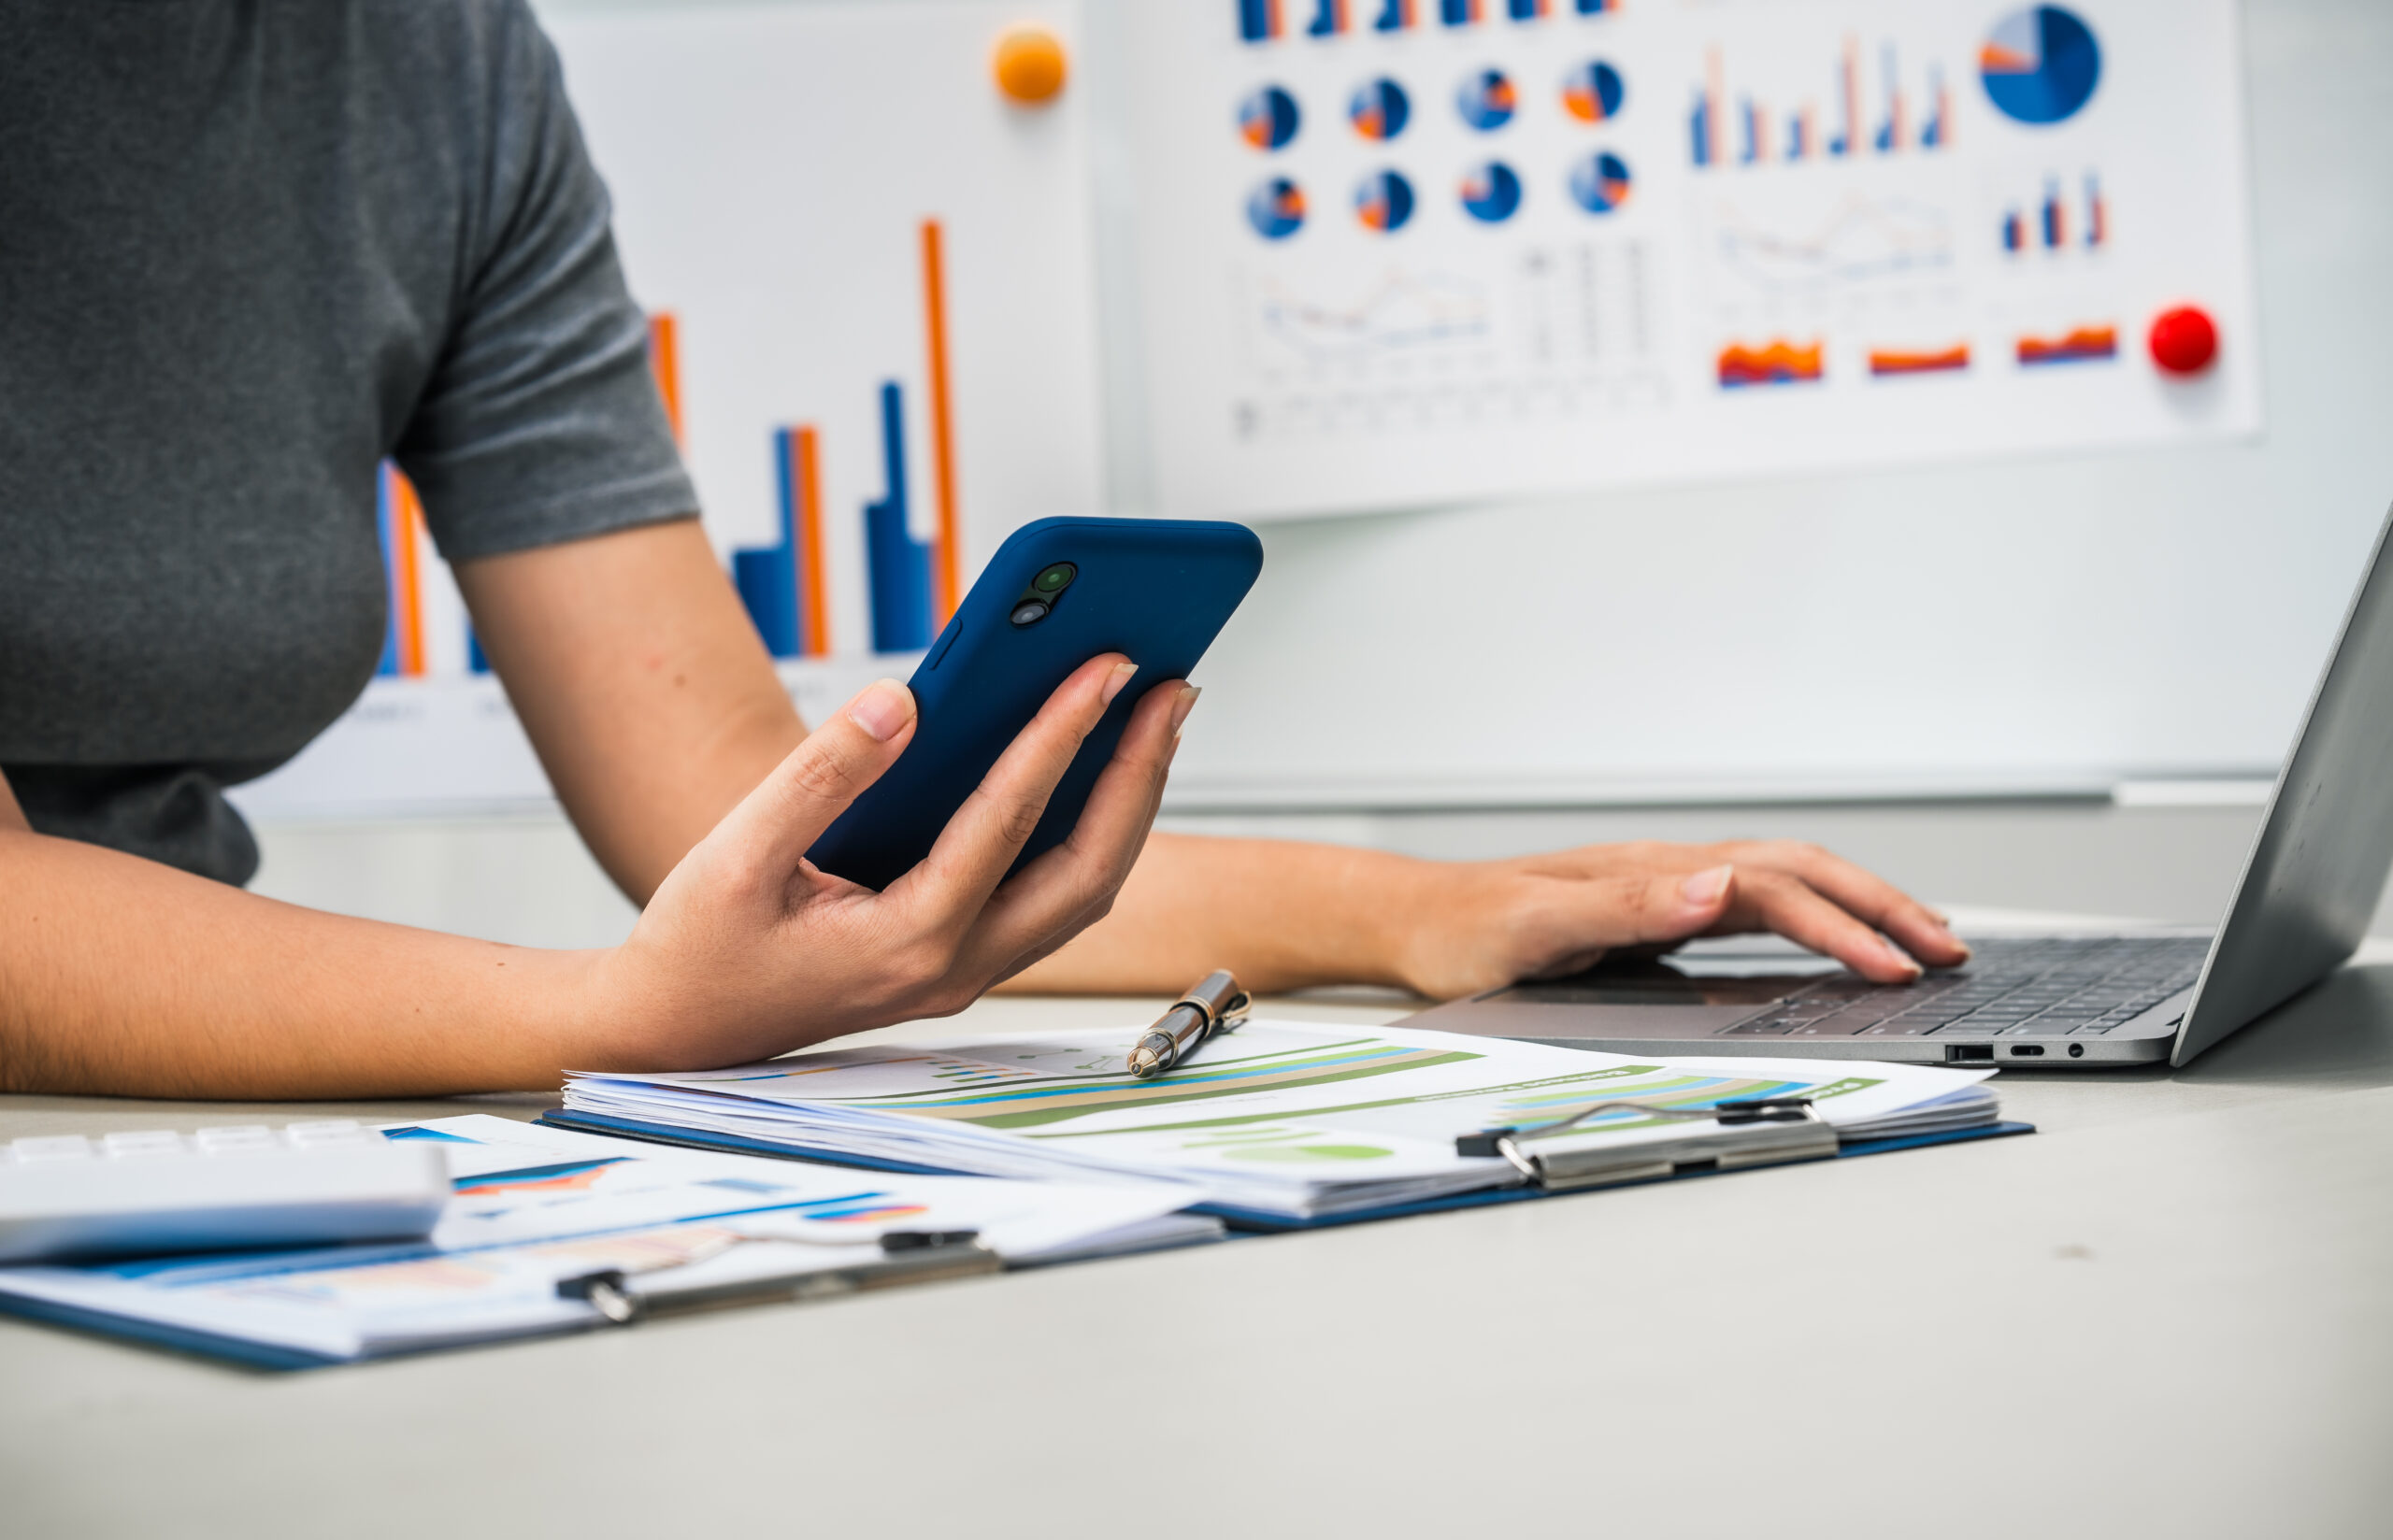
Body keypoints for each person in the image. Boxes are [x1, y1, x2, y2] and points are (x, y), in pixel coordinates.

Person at [0, 1, 1968, 1101]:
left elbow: (734, 811)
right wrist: (598, 1014)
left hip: (193, 1140)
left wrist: (1414, 910)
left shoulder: (435, 73)